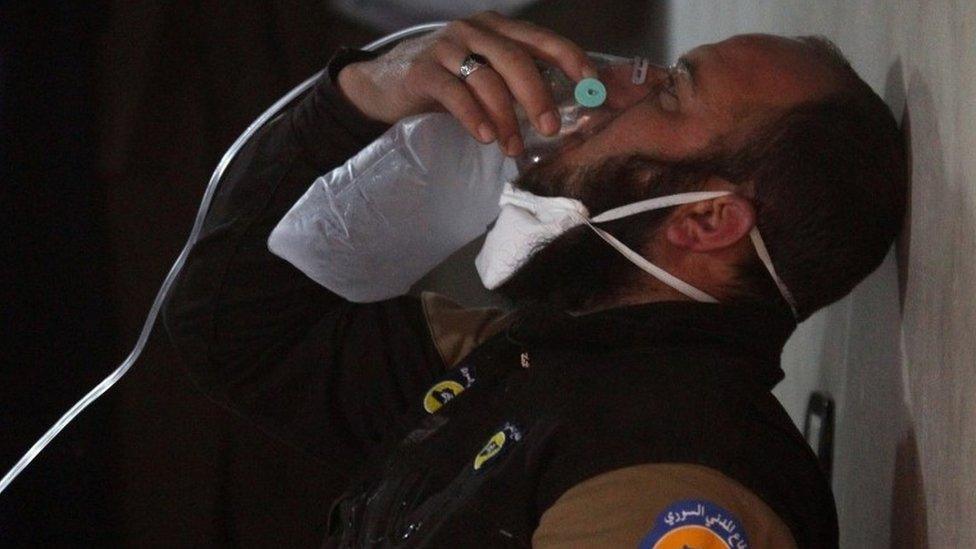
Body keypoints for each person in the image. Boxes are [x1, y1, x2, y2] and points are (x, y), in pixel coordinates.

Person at [163, 11, 904, 548]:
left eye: (671, 93)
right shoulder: (523, 357)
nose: (608, 90)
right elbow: (233, 329)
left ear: (707, 221)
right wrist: (361, 96)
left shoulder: (682, 476)